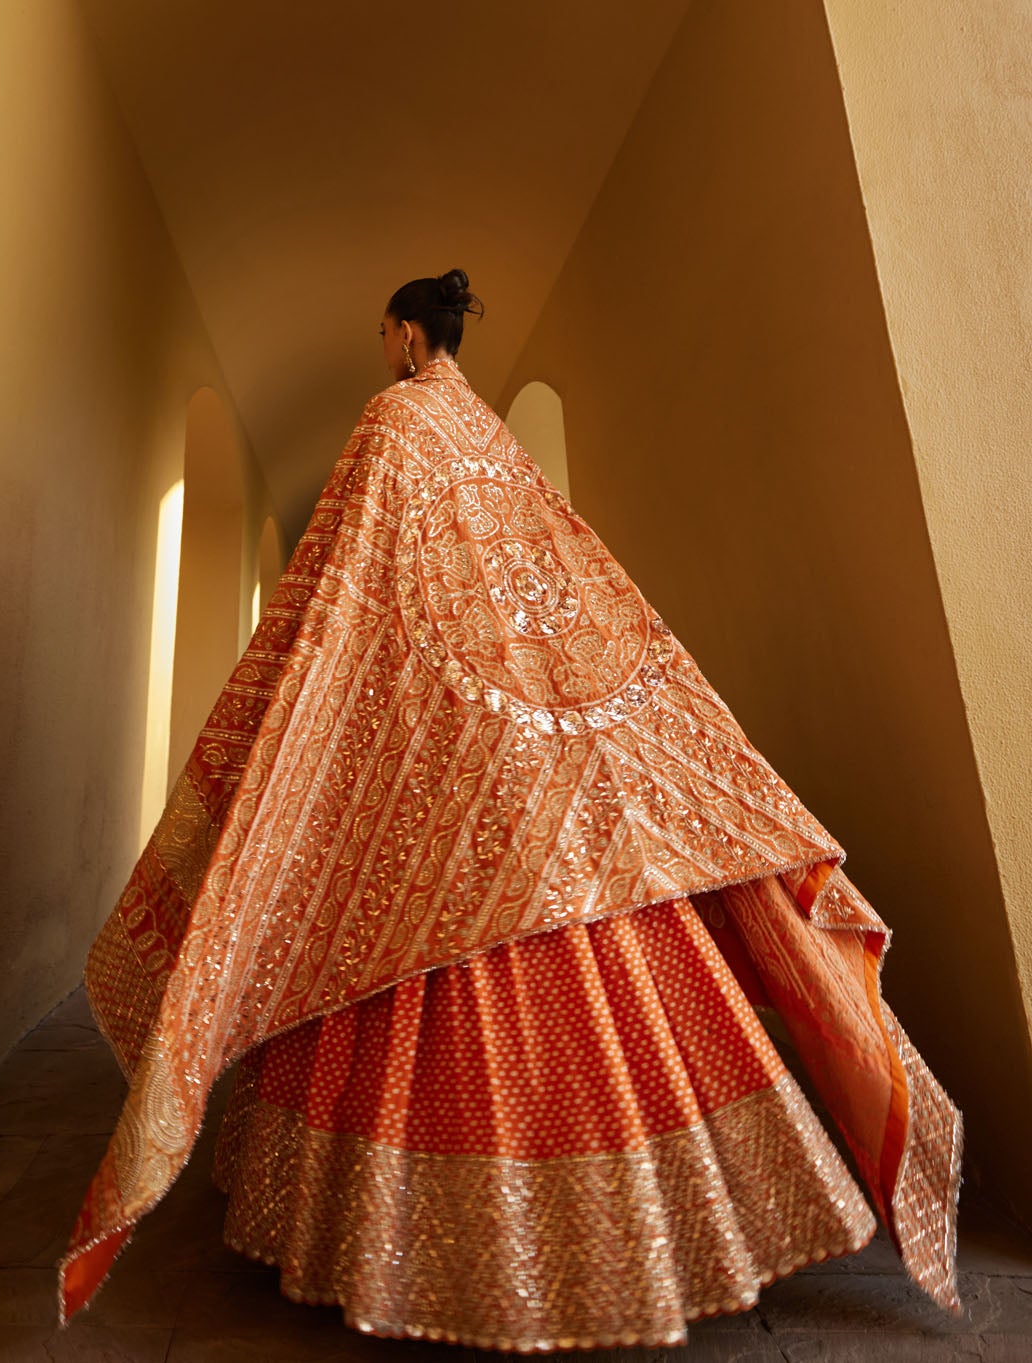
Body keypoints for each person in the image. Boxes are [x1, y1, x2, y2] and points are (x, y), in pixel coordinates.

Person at [59, 269, 962, 1348]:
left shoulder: (392, 419)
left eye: (381, 334)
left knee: (397, 928)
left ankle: (404, 1247)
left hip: (433, 742)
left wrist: (304, 707)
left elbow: (342, 579)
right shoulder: (493, 438)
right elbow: (562, 581)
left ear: (401, 336)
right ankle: (659, 1232)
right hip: (538, 736)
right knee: (602, 938)